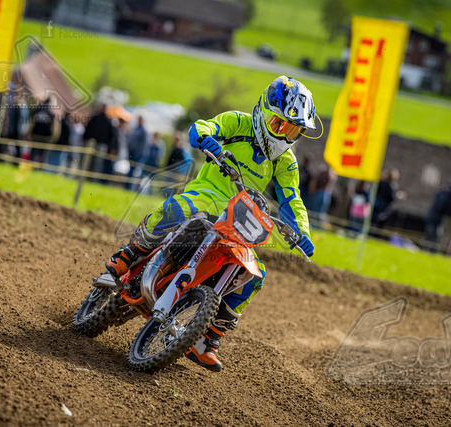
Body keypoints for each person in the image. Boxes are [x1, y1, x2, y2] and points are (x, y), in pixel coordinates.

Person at [104, 75, 317, 372]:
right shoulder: (238, 123)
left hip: (241, 218)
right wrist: (206, 139)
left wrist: (301, 232)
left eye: (292, 129)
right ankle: (128, 256)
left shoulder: (286, 162)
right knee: (178, 209)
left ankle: (208, 338)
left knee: (255, 274)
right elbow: (204, 127)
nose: (284, 134)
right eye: (279, 124)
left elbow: (292, 200)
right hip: (206, 196)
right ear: (263, 111)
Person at [83, 103, 118, 184]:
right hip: (94, 144)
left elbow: (111, 136)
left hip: (101, 145)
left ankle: (92, 180)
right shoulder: (98, 119)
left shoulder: (104, 120)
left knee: (95, 163)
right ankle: (88, 179)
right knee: (92, 163)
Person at [126, 115, 148, 189]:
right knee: (130, 169)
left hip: (137, 154)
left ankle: (130, 187)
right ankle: (127, 185)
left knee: (133, 170)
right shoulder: (135, 129)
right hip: (132, 152)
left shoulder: (143, 131)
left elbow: (142, 144)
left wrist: (138, 153)